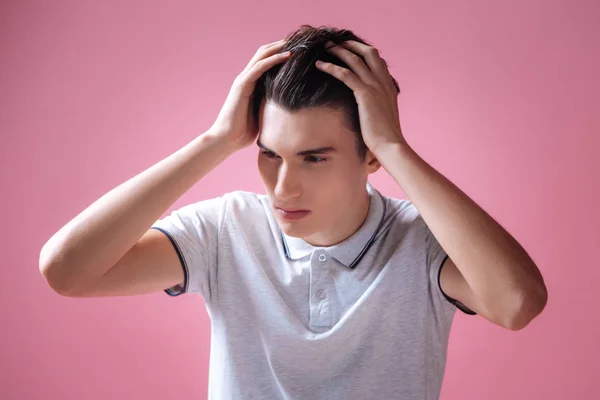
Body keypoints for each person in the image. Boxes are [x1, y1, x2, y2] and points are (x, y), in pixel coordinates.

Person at [39, 25, 548, 399]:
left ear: (369, 153)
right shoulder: (225, 230)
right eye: (269, 154)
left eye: (314, 158)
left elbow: (516, 303)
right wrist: (216, 141)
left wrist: (396, 146)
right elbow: (68, 270)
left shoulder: (421, 240)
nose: (283, 187)